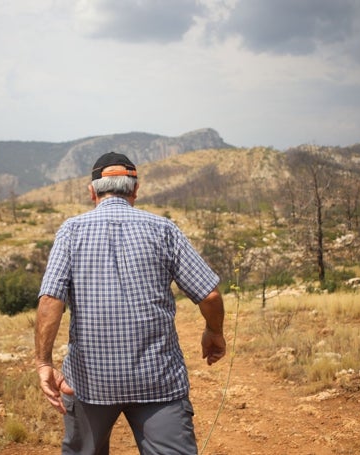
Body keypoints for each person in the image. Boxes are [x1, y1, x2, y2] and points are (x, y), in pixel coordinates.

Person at [35, 151, 226, 454]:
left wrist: (44, 362)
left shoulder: (71, 231)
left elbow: (50, 300)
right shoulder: (164, 229)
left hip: (89, 383)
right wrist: (214, 332)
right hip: (158, 381)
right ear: (136, 190)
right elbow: (210, 295)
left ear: (91, 192)